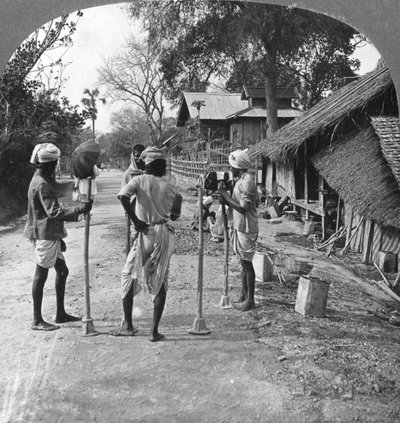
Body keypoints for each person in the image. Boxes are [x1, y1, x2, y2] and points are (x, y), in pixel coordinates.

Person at [110, 146, 182, 341]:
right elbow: (176, 214)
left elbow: (123, 196)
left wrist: (135, 220)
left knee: (128, 274)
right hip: (165, 234)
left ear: (147, 165)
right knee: (160, 279)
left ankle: (128, 324)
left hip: (146, 232)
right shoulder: (171, 186)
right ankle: (154, 331)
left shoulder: (139, 180)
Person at [24, 140, 93, 331]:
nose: (56, 167)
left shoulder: (42, 180)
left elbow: (53, 205)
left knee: (62, 271)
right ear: (47, 165)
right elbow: (54, 212)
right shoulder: (42, 185)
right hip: (45, 235)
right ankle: (37, 319)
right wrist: (79, 209)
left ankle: (60, 313)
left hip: (50, 234)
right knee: (41, 273)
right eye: (54, 165)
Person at [218, 149, 259, 311]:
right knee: (243, 263)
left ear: (238, 166)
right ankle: (244, 295)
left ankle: (250, 300)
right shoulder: (241, 180)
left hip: (247, 227)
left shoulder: (247, 181)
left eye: (232, 167)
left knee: (247, 264)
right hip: (240, 225)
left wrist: (224, 196)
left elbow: (243, 208)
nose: (230, 169)